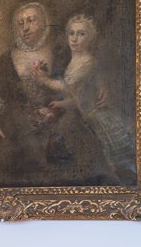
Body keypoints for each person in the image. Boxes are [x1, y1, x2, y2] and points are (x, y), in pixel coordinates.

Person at [0, 1, 107, 186]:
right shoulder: (7, 57)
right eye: (21, 23)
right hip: (17, 119)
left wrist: (101, 84)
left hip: (57, 113)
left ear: (43, 23)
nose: (25, 27)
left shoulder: (60, 51)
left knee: (72, 141)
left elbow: (82, 71)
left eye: (31, 20)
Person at [37, 12, 135, 183]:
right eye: (71, 33)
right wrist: (62, 103)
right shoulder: (74, 59)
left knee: (108, 161)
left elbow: (66, 85)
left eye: (81, 34)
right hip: (83, 111)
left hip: (94, 118)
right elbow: (80, 95)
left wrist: (44, 80)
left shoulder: (88, 62)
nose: (74, 39)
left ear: (90, 38)